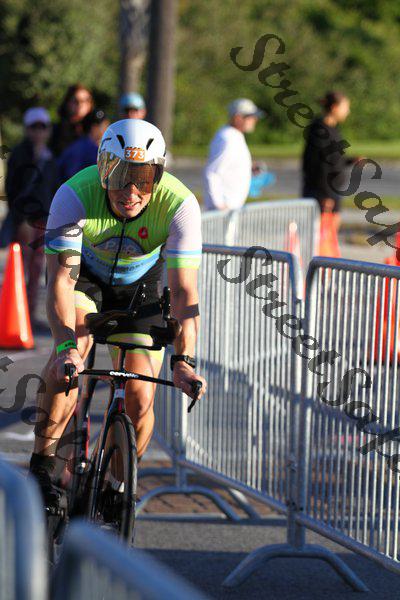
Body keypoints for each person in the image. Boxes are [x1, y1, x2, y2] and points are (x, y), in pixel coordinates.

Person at [28, 119, 207, 510]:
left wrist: (184, 361)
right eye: (121, 176)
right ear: (103, 170)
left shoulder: (179, 204)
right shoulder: (74, 195)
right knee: (70, 361)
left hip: (139, 288)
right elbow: (61, 281)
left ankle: (116, 484)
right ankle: (41, 466)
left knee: (140, 396)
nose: (131, 191)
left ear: (159, 176)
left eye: (144, 179)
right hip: (84, 280)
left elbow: (183, 291)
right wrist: (65, 348)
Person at [5, 107, 59, 326]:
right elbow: (12, 189)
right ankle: (16, 313)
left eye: (42, 127)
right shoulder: (19, 154)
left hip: (44, 219)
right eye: (34, 127)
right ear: (27, 129)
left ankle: (29, 312)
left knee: (38, 267)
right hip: (25, 219)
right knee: (21, 266)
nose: (38, 131)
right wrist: (19, 220)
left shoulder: (51, 157)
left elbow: (54, 189)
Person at [302, 91, 357, 229]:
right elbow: (318, 165)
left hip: (333, 189)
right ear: (334, 108)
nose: (348, 111)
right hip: (322, 192)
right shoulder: (320, 131)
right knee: (321, 231)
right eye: (345, 107)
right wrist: (325, 195)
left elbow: (333, 159)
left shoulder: (332, 129)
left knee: (331, 231)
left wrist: (351, 160)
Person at [203, 98, 265, 211]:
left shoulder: (234, 135)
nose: (255, 119)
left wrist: (249, 167)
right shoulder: (228, 138)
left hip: (230, 208)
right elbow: (212, 172)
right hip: (224, 209)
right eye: (250, 116)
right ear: (238, 118)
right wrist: (219, 205)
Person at [58, 110, 109, 183]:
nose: (105, 128)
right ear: (93, 128)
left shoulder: (102, 148)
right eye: (102, 125)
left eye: (105, 124)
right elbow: (72, 179)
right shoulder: (79, 149)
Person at [50, 84, 94, 157]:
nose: (80, 105)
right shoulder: (56, 130)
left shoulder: (94, 129)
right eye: (76, 101)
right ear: (67, 103)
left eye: (85, 100)